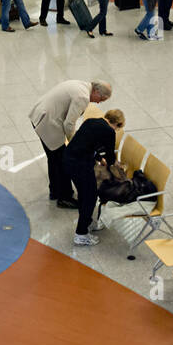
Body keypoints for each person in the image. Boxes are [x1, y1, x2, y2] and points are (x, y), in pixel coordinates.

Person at [28, 79, 112, 208]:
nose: (99, 102)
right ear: (96, 91)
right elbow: (68, 124)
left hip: (40, 114)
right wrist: (74, 143)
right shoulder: (83, 97)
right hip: (47, 121)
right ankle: (64, 197)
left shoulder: (81, 84)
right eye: (101, 98)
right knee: (63, 160)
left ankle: (55, 191)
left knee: (54, 157)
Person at [65, 105, 121, 245]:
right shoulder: (109, 132)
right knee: (90, 197)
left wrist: (97, 158)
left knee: (84, 194)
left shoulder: (90, 122)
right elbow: (109, 158)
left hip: (68, 158)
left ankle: (88, 222)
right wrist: (113, 163)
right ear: (117, 124)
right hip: (81, 165)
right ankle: (81, 234)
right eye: (118, 128)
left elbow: (87, 143)